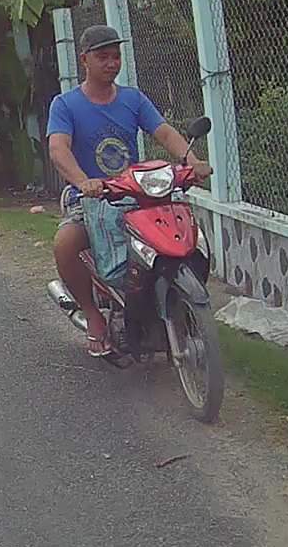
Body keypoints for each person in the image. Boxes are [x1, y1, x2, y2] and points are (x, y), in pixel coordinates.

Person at [47, 25, 213, 357]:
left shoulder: (132, 99)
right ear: (84, 60)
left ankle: (170, 306)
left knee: (185, 237)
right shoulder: (65, 104)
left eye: (116, 56)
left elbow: (164, 132)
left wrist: (192, 162)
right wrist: (83, 181)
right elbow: (58, 148)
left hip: (138, 194)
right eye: (102, 57)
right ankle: (93, 316)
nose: (111, 63)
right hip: (92, 197)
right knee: (65, 243)